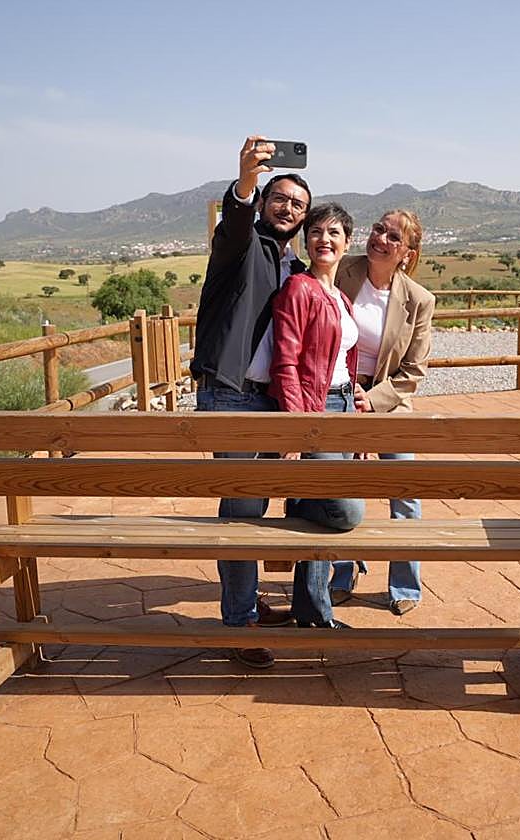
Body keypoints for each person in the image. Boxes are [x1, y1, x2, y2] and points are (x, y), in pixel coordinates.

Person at [189, 136, 311, 669]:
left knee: (253, 506)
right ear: (263, 203)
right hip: (232, 394)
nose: (287, 208)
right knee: (241, 509)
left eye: (298, 205)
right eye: (279, 199)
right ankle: (239, 621)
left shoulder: (295, 266)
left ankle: (244, 602)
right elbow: (234, 222)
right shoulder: (242, 244)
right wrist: (244, 179)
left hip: (268, 400)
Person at [331, 210, 436, 615]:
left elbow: (413, 371)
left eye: (393, 237)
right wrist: (347, 394)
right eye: (378, 229)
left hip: (389, 400)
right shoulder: (343, 272)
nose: (381, 239)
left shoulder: (419, 300)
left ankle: (406, 587)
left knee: (403, 492)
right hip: (337, 390)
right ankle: (340, 574)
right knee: (338, 489)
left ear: (407, 253)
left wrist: (372, 401)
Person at [268, 202, 365, 628]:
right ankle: (302, 504)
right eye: (316, 232)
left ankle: (312, 611)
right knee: (346, 512)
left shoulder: (340, 297)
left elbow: (342, 357)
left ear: (347, 242)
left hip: (344, 406)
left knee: (318, 510)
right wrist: (298, 427)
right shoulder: (299, 289)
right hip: (316, 409)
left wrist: (356, 402)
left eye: (334, 233)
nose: (324, 239)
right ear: (306, 241)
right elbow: (285, 361)